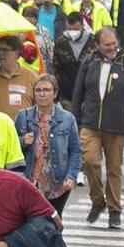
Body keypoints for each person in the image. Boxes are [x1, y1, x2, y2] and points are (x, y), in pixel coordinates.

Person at [75, 25, 124, 228]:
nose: (111, 47)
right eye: (106, 45)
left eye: (114, 43)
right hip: (90, 124)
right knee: (89, 161)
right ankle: (98, 201)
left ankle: (115, 210)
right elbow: (78, 91)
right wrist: (75, 120)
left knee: (114, 169)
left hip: (118, 126)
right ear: (97, 45)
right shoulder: (89, 61)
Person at [14, 72, 81, 216]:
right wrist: (22, 141)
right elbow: (11, 147)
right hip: (30, 181)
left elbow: (75, 150)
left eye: (46, 90)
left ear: (55, 93)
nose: (42, 94)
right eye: (38, 90)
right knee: (30, 221)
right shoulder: (23, 116)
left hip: (58, 183)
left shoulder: (67, 119)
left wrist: (71, 176)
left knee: (54, 222)